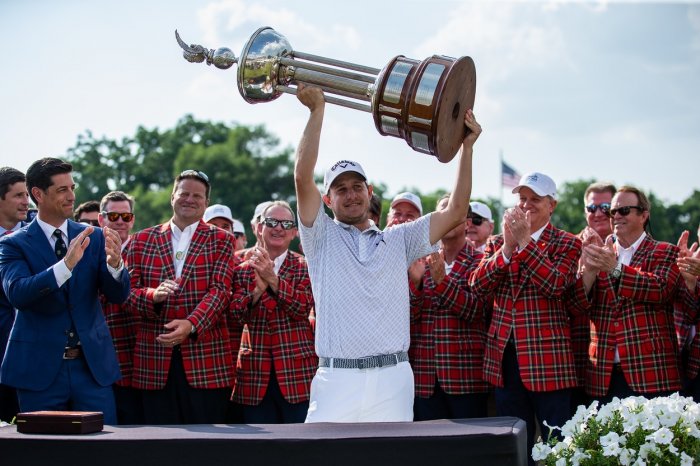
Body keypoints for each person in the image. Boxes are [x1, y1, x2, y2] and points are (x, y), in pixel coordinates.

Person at [294, 83, 481, 422]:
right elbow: (302, 177)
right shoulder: (319, 236)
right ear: (327, 199)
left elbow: (455, 212)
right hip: (338, 378)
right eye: (340, 190)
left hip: (394, 378)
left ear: (370, 191)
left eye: (356, 187)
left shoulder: (400, 239)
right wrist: (316, 112)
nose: (350, 195)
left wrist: (467, 148)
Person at [0, 158, 129, 424]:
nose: (72, 196)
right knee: (44, 453)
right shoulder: (13, 244)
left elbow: (118, 296)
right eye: (62, 190)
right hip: (39, 371)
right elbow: (18, 294)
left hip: (92, 368)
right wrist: (65, 265)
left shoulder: (93, 236)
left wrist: (116, 267)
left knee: (106, 451)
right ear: (38, 194)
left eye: (72, 187)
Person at [469, 171, 581, 464]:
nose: (527, 205)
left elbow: (556, 285)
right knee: (513, 445)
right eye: (522, 200)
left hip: (549, 361)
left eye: (535, 200)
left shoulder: (567, 243)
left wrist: (525, 242)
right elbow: (477, 286)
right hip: (505, 360)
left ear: (552, 205)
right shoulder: (497, 243)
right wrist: (507, 248)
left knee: (559, 444)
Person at [125, 169, 237, 424]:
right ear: (172, 197)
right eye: (184, 193)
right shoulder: (141, 240)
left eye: (197, 196)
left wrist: (191, 324)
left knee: (209, 445)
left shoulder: (222, 240)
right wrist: (153, 296)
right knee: (158, 446)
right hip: (154, 359)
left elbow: (220, 291)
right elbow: (128, 293)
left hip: (206, 360)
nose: (190, 199)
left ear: (206, 203)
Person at [577, 186, 685, 405]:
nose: (616, 216)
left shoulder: (664, 251)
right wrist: (587, 272)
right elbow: (578, 305)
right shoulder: (600, 253)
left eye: (624, 210)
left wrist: (614, 268)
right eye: (612, 212)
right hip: (603, 374)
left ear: (644, 215)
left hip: (650, 372)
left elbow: (659, 289)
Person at [231, 201, 315, 423]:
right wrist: (257, 291)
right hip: (253, 377)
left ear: (295, 233)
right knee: (257, 452)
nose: (279, 228)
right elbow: (237, 316)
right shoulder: (241, 270)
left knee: (301, 447)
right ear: (259, 228)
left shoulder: (306, 267)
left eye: (286, 224)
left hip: (296, 374)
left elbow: (302, 308)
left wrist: (274, 281)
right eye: (271, 222)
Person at [409, 194, 489, 420]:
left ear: (467, 222)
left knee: (469, 451)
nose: (448, 219)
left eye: (455, 212)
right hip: (425, 377)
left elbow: (476, 310)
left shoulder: (481, 260)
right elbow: (412, 318)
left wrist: (443, 282)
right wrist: (415, 285)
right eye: (442, 214)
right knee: (430, 451)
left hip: (465, 377)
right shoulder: (421, 261)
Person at [569, 182, 616, 411]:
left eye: (605, 207)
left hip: (619, 359)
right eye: (591, 208)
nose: (598, 213)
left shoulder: (628, 246)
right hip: (576, 354)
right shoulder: (570, 245)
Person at [98, 190, 140, 424]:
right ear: (101, 219)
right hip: (103, 345)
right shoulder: (88, 249)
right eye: (114, 217)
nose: (121, 222)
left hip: (138, 346)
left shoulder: (145, 247)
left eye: (127, 216)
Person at [0, 167, 29, 422]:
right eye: (18, 195)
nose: (26, 201)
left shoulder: (38, 234)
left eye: (27, 194)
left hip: (33, 354)